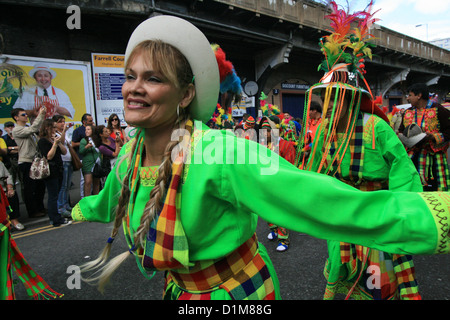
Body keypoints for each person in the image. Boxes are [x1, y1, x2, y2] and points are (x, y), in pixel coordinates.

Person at [70, 15, 449, 300]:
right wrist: (84, 208)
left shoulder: (222, 153)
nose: (134, 88)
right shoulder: (129, 156)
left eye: (152, 78)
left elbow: (316, 198)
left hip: (237, 292)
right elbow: (114, 195)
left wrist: (428, 216)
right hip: (182, 293)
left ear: (186, 95)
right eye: (130, 76)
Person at [300, 1, 422, 300]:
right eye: (326, 97)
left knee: (376, 274)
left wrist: (401, 211)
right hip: (341, 210)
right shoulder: (325, 131)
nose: (329, 104)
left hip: (375, 209)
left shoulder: (376, 127)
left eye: (335, 96)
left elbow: (403, 170)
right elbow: (311, 172)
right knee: (342, 267)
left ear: (351, 97)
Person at [399, 83, 450, 191]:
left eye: (410, 95)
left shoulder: (438, 109)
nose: (407, 98)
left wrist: (434, 137)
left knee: (434, 190)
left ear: (419, 95)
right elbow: (401, 130)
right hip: (413, 157)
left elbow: (448, 130)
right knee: (413, 188)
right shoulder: (408, 112)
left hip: (433, 159)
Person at [260, 117, 296, 252]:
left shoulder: (286, 145)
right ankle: (273, 229)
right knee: (265, 210)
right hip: (266, 184)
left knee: (280, 212)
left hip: (280, 185)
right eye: (263, 131)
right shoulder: (262, 146)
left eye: (268, 131)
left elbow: (290, 167)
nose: (264, 134)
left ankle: (283, 239)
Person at [11, 107, 46, 219]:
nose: (26, 116)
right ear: (16, 118)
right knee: (29, 188)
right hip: (26, 161)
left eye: (26, 114)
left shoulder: (27, 128)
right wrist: (40, 115)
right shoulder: (17, 130)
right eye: (23, 115)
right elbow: (33, 128)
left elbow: (35, 131)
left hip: (35, 160)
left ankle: (40, 207)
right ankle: (32, 211)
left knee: (40, 186)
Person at [37, 119, 71, 227]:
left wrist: (58, 142)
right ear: (47, 128)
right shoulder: (43, 141)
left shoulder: (53, 139)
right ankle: (55, 219)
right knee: (53, 196)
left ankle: (58, 216)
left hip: (58, 170)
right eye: (53, 127)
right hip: (50, 171)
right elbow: (49, 156)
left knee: (57, 193)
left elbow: (64, 151)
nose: (55, 130)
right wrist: (55, 144)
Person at [53, 115, 74, 217]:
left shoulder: (64, 133)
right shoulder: (55, 134)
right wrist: (64, 131)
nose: (62, 123)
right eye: (60, 122)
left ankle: (66, 204)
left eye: (63, 121)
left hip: (69, 161)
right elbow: (61, 142)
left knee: (67, 185)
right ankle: (61, 207)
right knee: (63, 186)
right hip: (63, 161)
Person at [72, 113, 94, 198]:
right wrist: (83, 144)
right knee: (84, 179)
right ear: (84, 122)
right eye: (90, 121)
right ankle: (83, 197)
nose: (92, 122)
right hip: (82, 157)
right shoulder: (78, 131)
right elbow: (73, 144)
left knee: (92, 179)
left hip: (92, 158)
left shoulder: (93, 129)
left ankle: (91, 195)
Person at [79, 124, 100, 197]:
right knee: (88, 182)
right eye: (85, 130)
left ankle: (96, 200)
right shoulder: (84, 140)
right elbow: (81, 151)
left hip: (97, 163)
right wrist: (86, 147)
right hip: (88, 164)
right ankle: (86, 199)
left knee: (96, 182)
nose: (86, 131)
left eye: (88, 129)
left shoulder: (97, 140)